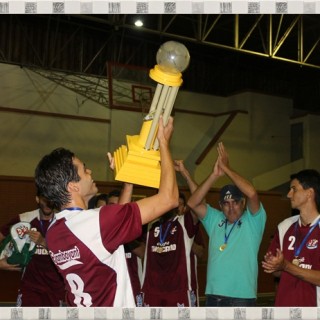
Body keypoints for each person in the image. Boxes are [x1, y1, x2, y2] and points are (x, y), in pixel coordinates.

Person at [34, 116, 178, 307]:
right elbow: (170, 198)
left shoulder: (54, 231)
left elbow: (112, 233)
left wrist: (128, 182)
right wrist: (164, 143)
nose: (90, 172)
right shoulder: (97, 222)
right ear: (73, 187)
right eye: (84, 170)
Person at [187, 142, 267, 306]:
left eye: (235, 202)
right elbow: (192, 203)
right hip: (214, 294)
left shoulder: (253, 220)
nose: (231, 207)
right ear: (220, 205)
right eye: (226, 203)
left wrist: (227, 168)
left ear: (242, 203)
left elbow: (252, 193)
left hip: (242, 297)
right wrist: (214, 175)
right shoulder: (215, 219)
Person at [262, 169, 320, 306]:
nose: (289, 195)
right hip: (284, 309)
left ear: (309, 193)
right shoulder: (284, 226)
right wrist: (274, 265)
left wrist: (286, 266)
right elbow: (277, 274)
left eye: (294, 189)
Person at [0, 194, 65, 306]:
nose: (48, 203)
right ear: (37, 199)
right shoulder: (25, 219)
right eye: (45, 199)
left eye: (51, 199)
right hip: (30, 288)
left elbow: (70, 252)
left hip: (55, 290)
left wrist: (44, 243)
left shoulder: (63, 222)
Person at [174, 160, 206, 306]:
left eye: (181, 205)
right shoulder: (157, 226)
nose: (178, 208)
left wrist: (186, 241)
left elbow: (201, 253)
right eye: (176, 204)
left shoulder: (188, 225)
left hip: (184, 289)